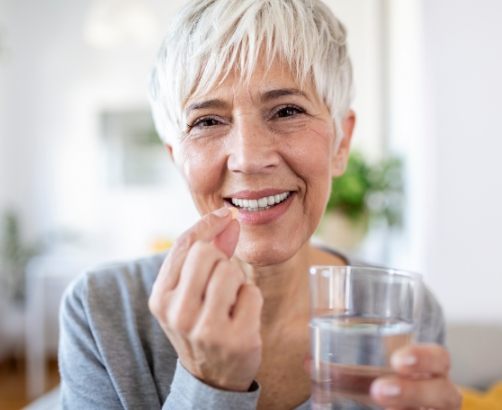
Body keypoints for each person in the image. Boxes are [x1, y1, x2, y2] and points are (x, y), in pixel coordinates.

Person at [58, 0, 462, 409]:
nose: (248, 158)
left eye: (287, 111)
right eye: (207, 122)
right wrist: (209, 383)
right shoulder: (101, 310)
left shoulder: (402, 309)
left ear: (341, 143)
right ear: (176, 157)